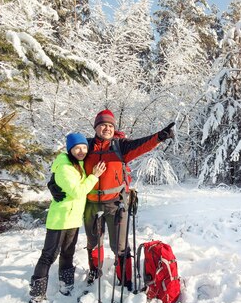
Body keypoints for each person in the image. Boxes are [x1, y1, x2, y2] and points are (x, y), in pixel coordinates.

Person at [50, 109, 175, 289]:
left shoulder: (120, 146)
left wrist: (160, 136)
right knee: (93, 243)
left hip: (115, 205)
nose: (107, 128)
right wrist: (53, 182)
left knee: (120, 246)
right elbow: (66, 162)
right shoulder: (87, 146)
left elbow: (142, 144)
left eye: (110, 125)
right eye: (102, 125)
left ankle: (125, 279)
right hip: (90, 204)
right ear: (96, 127)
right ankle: (95, 272)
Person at [29, 132, 106, 303]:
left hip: (73, 219)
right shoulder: (64, 166)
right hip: (59, 220)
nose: (81, 151)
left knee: (68, 253)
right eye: (77, 148)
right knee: (48, 256)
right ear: (69, 149)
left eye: (84, 147)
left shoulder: (78, 163)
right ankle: (37, 294)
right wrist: (94, 176)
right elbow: (78, 192)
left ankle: (66, 284)